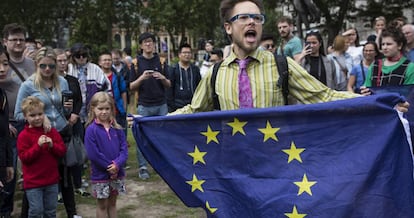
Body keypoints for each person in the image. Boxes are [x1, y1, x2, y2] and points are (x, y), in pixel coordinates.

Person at [170, 0, 361, 115]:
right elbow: (193, 111)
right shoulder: (215, 73)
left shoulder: (282, 65)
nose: (252, 21)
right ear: (228, 27)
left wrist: (376, 102)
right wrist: (148, 122)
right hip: (233, 166)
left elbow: (324, 96)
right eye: (243, 17)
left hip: (274, 165)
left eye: (257, 17)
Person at [1, 24, 36, 217]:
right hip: (9, 124)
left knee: (32, 166)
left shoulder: (32, 64)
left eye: (21, 39)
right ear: (5, 41)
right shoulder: (1, 64)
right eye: (14, 39)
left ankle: (30, 208)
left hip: (30, 122)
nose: (18, 42)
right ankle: (6, 209)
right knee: (10, 168)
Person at [129, 32, 170, 180]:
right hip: (143, 105)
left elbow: (169, 84)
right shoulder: (135, 63)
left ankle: (163, 165)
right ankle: (143, 167)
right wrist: (142, 78)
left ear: (154, 44)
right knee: (142, 138)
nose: (148, 44)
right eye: (145, 42)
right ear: (141, 45)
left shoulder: (162, 61)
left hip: (161, 104)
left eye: (151, 42)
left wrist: (163, 78)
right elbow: (131, 87)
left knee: (163, 137)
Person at [17, 96, 66, 218]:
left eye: (40, 114)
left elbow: (62, 151)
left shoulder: (50, 131)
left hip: (51, 180)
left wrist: (52, 145)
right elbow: (24, 157)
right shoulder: (23, 136)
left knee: (50, 211)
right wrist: (37, 147)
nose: (37, 118)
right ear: (25, 117)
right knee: (36, 211)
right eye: (32, 115)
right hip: (33, 182)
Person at [84, 92, 128, 218]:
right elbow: (93, 154)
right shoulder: (91, 130)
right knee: (102, 205)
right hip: (100, 175)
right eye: (100, 109)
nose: (104, 112)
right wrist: (109, 166)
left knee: (113, 203)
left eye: (107, 108)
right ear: (93, 109)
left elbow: (124, 150)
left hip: (117, 173)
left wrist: (117, 164)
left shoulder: (117, 128)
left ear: (112, 109)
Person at [54, 48, 83, 217]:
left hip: (73, 122)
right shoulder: (51, 83)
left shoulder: (72, 80)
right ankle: (57, 191)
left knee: (73, 156)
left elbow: (79, 99)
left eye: (65, 60)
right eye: (59, 61)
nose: (63, 63)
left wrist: (75, 114)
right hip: (56, 126)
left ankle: (77, 183)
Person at [67, 43, 111, 125]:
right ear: (73, 56)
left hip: (94, 114)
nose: (81, 58)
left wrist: (102, 108)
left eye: (84, 55)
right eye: (78, 55)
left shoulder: (95, 69)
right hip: (73, 114)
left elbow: (107, 89)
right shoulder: (68, 69)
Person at [98, 52, 128, 135]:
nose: (107, 62)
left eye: (109, 60)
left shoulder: (118, 76)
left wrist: (124, 107)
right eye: (104, 60)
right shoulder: (97, 77)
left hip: (118, 110)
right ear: (100, 62)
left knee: (120, 134)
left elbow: (123, 91)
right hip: (103, 111)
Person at [167, 43, 201, 112]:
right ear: (179, 55)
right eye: (184, 53)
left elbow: (199, 86)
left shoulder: (195, 69)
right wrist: (171, 106)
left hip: (193, 104)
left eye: (189, 53)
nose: (187, 55)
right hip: (177, 106)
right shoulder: (173, 69)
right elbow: (169, 88)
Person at [0, 46, 13, 213]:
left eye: (5, 63)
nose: (2, 69)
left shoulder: (2, 94)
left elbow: (4, 133)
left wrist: (9, 163)